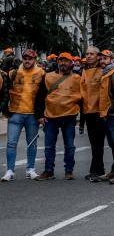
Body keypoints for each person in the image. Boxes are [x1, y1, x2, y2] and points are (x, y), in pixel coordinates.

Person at [36, 52, 82, 180]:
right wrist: (39, 115)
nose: (63, 63)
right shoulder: (48, 77)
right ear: (57, 62)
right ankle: (48, 170)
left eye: (66, 61)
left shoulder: (77, 78)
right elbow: (40, 96)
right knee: (49, 145)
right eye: (61, 60)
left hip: (69, 115)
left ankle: (69, 170)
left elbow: (82, 97)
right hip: (50, 116)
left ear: (71, 63)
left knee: (69, 145)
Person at [2, 49, 46, 181]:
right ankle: (9, 171)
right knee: (11, 143)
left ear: (35, 59)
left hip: (32, 115)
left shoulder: (41, 73)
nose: (27, 60)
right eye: (25, 58)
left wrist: (42, 114)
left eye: (30, 58)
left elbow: (44, 95)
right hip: (15, 113)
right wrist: (4, 109)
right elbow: (4, 92)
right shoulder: (13, 73)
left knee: (31, 144)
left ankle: (30, 169)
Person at [90, 50, 114, 184]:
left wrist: (111, 110)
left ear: (112, 59)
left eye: (105, 58)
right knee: (113, 144)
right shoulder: (107, 73)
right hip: (109, 114)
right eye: (101, 59)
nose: (102, 61)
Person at [80, 46, 107, 180]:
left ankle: (98, 170)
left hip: (100, 111)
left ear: (98, 56)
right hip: (88, 111)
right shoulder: (84, 70)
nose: (89, 56)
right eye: (87, 54)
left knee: (98, 143)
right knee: (93, 142)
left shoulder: (103, 70)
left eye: (92, 54)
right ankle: (96, 169)